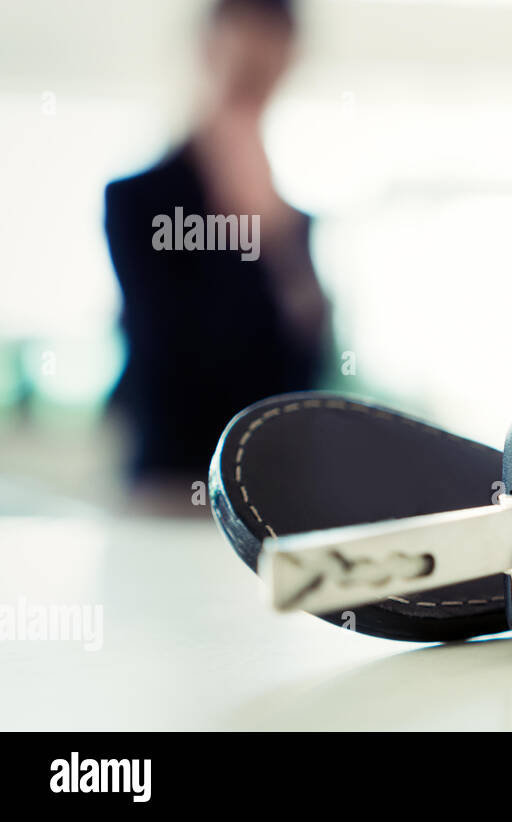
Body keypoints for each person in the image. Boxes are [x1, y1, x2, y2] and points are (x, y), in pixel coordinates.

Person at [105, 0, 329, 486]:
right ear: (206, 53)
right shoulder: (137, 201)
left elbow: (308, 368)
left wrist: (274, 237)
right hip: (171, 484)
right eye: (242, 60)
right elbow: (171, 353)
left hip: (275, 487)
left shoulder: (291, 221)